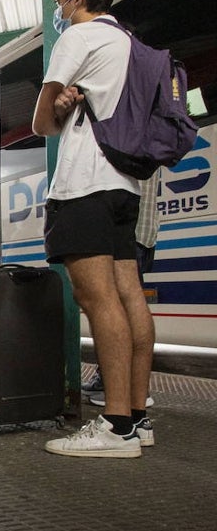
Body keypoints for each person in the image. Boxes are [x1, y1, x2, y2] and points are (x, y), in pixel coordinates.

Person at [32, 0, 154, 458]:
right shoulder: (128, 41)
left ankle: (116, 427)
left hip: (85, 185)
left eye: (61, 0)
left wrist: (56, 108)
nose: (59, 11)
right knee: (129, 297)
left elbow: (42, 123)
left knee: (96, 299)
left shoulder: (78, 37)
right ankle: (139, 416)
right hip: (125, 186)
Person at [80, 175, 158, 414]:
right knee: (128, 300)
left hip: (121, 225)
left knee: (112, 302)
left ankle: (123, 400)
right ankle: (130, 395)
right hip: (139, 229)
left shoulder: (119, 138)